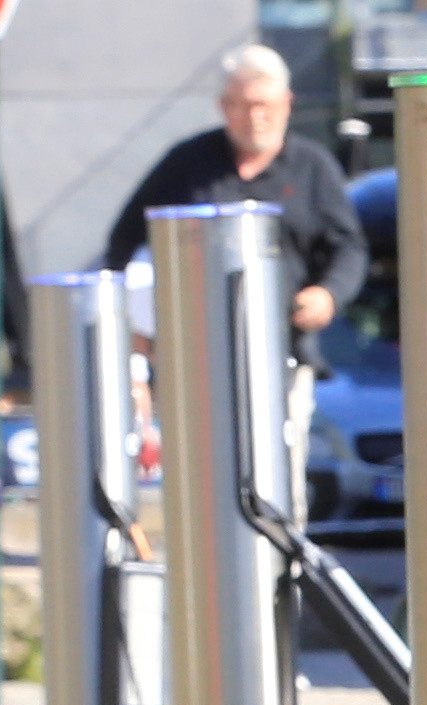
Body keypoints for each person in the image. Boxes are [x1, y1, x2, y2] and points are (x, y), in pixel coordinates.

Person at [103, 42, 366, 473]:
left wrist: (328, 294)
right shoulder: (186, 165)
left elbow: (349, 247)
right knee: (203, 476)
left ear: (286, 105)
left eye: (264, 105)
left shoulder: (313, 168)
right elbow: (124, 242)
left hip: (283, 350)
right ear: (224, 107)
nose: (254, 117)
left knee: (276, 477)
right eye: (242, 106)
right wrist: (133, 327)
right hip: (193, 358)